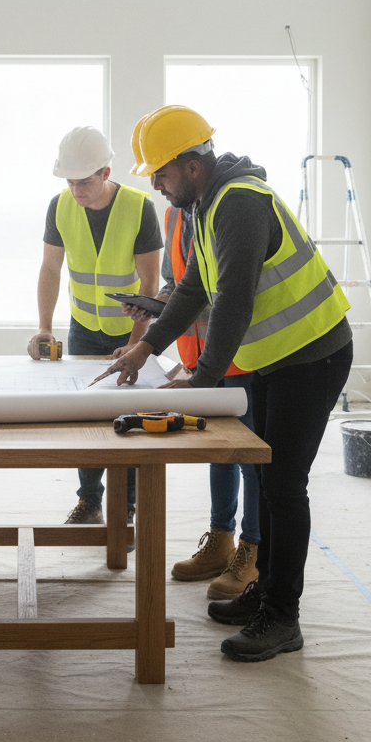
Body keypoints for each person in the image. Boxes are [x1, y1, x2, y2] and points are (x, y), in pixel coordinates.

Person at [99, 105, 353, 662]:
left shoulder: (238, 204)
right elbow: (194, 287)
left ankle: (283, 617)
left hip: (312, 357)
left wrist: (203, 382)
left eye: (161, 175)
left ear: (192, 166)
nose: (158, 187)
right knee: (267, 480)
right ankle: (265, 592)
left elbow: (233, 301)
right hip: (275, 360)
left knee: (284, 486)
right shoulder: (208, 205)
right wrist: (147, 347)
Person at [27, 125, 162, 529]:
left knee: (131, 416)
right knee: (86, 416)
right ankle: (90, 501)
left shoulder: (140, 207)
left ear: (105, 172)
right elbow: (51, 269)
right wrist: (45, 328)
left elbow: (150, 285)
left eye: (84, 182)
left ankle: (129, 505)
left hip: (130, 332)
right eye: (70, 182)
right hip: (84, 327)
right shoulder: (60, 206)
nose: (77, 191)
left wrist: (137, 343)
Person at [152, 200, 261, 599]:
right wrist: (154, 306)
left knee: (251, 456)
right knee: (219, 450)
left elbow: (232, 292)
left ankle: (253, 549)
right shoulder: (175, 215)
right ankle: (221, 540)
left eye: (161, 172)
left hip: (242, 354)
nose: (158, 185)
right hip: (201, 359)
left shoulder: (231, 211)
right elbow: (179, 284)